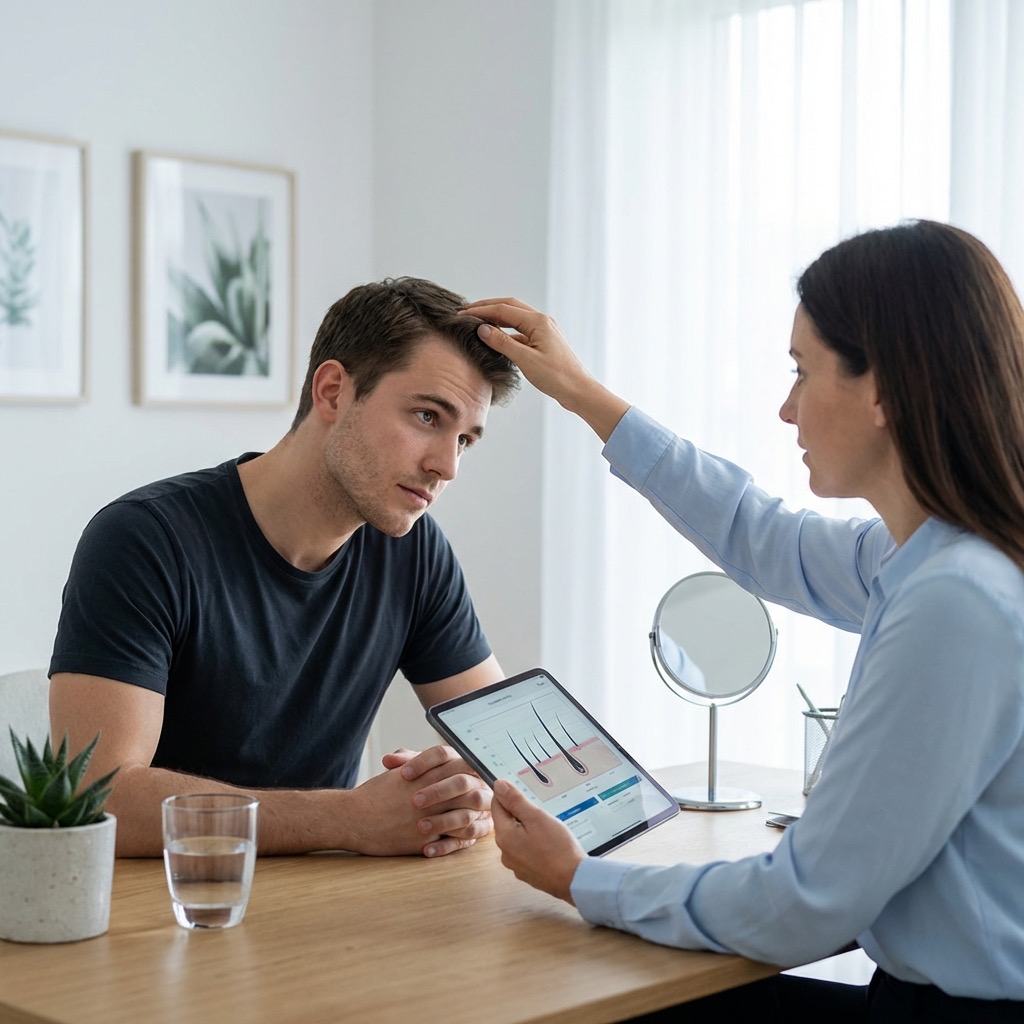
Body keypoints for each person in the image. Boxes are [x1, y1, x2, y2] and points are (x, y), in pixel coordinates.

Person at [465, 221, 1024, 1022]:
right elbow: (762, 537)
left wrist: (577, 878)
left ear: (884, 392)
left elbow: (803, 903)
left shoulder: (956, 600)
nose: (786, 407)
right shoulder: (933, 558)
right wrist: (584, 394)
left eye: (802, 372)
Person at [49, 277, 519, 859]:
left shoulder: (415, 551)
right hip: (171, 912)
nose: (446, 466)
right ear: (332, 392)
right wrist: (347, 820)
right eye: (427, 416)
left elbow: (508, 753)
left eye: (466, 440)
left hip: (330, 911)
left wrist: (460, 797)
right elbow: (99, 797)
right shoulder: (145, 540)